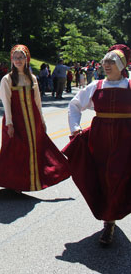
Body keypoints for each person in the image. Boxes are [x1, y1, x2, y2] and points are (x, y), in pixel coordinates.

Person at [62, 44, 131, 246]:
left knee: (119, 176)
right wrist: (75, 127)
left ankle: (111, 217)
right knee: (103, 178)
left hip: (126, 139)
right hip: (100, 139)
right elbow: (74, 105)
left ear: (122, 65)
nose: (107, 65)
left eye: (112, 62)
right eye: (105, 62)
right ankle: (109, 220)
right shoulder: (96, 86)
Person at [0, 45, 70, 191]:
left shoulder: (32, 78)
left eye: (21, 57)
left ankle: (32, 180)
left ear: (26, 59)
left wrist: (41, 121)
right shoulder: (7, 79)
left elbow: (37, 102)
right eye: (15, 57)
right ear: (12, 60)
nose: (18, 60)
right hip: (16, 120)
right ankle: (13, 181)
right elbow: (6, 103)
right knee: (15, 150)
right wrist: (9, 123)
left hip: (32, 120)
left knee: (35, 149)